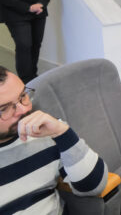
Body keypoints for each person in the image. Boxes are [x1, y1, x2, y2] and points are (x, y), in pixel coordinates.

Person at [0, 67, 110, 213]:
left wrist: (62, 133)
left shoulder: (45, 131)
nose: (24, 110)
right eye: (4, 109)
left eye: (23, 96)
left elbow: (94, 186)